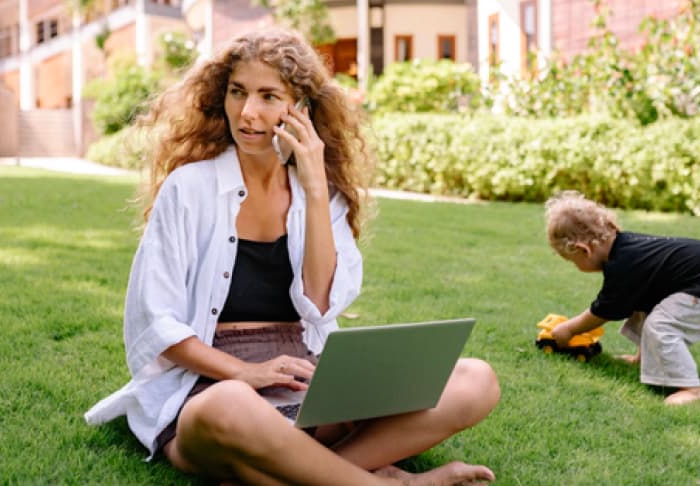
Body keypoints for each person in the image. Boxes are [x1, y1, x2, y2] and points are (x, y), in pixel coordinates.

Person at [84, 28, 501, 485]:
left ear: (299, 107)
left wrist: (316, 187)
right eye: (238, 92)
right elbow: (156, 323)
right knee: (232, 405)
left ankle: (289, 468)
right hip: (213, 385)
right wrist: (246, 372)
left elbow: (320, 304)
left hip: (307, 381)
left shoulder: (320, 195)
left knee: (475, 380)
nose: (248, 112)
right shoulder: (189, 188)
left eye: (268, 96)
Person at [544, 191, 700, 405]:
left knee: (660, 324)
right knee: (643, 303)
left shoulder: (623, 265)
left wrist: (570, 329)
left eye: (573, 261)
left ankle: (691, 389)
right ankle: (644, 360)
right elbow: (638, 300)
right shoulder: (625, 248)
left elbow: (605, 310)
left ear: (583, 250)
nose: (576, 266)